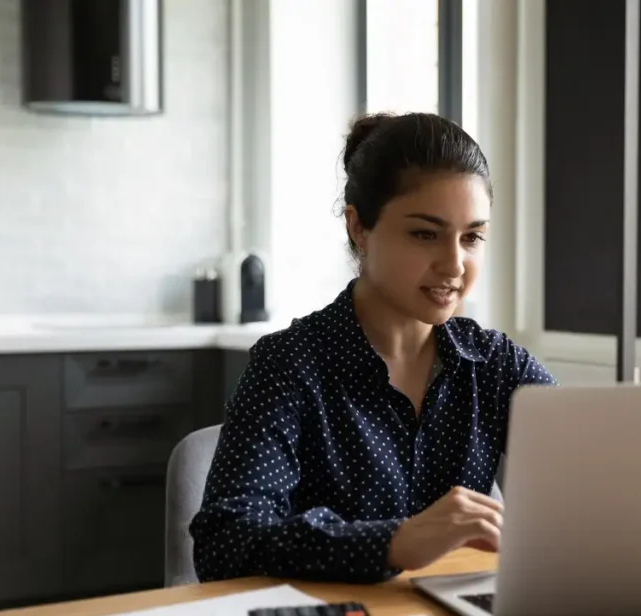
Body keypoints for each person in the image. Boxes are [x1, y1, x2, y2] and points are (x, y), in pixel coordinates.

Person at [189, 112, 556, 584]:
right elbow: (225, 542)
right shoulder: (289, 364)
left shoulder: (498, 364)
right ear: (358, 227)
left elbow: (594, 480)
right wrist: (395, 541)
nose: (454, 265)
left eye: (472, 237)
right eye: (425, 234)